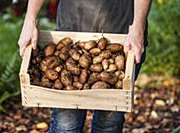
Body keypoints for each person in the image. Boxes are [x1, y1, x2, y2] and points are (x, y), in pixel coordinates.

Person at [18, 0, 152, 133]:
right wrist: (30, 19)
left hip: (123, 35)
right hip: (71, 28)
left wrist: (138, 28)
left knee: (108, 124)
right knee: (66, 126)